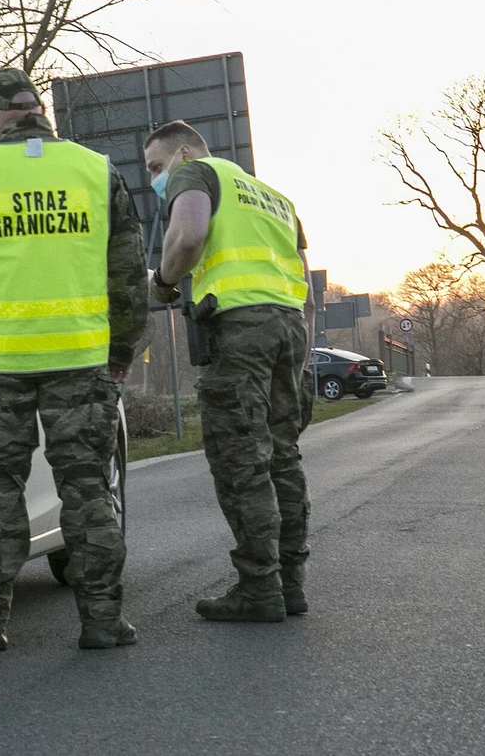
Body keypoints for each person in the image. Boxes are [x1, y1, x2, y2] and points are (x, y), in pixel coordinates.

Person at [0, 68, 148, 651]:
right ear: (37, 110)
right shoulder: (96, 172)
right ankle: (101, 623)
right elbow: (126, 272)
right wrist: (121, 349)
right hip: (81, 360)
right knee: (88, 490)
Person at [144, 120, 315, 622]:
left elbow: (190, 235)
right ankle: (291, 583)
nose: (155, 177)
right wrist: (299, 358)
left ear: (181, 153)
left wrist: (163, 283)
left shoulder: (194, 173)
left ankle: (260, 589)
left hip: (239, 330)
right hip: (287, 327)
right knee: (283, 457)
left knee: (242, 461)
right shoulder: (274, 198)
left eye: (156, 166)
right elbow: (304, 283)